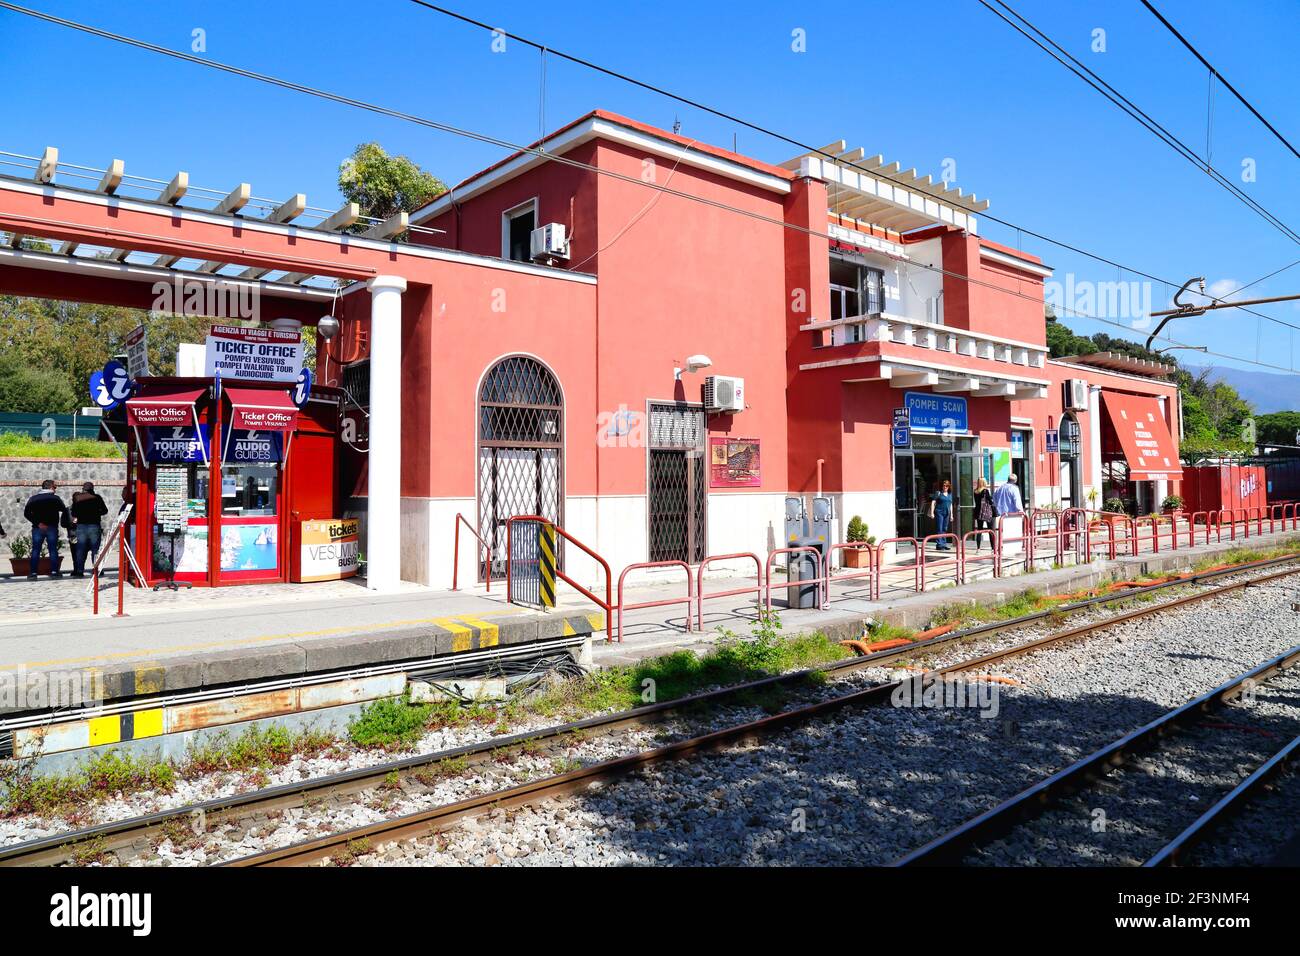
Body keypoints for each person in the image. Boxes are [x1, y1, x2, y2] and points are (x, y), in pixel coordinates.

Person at [23, 479, 69, 580]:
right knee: (53, 549)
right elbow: (63, 509)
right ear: (50, 487)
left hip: (38, 528)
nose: (55, 489)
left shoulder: (33, 499)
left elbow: (26, 513)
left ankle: (33, 573)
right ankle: (54, 572)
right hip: (51, 527)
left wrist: (38, 523)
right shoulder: (55, 498)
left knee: (36, 550)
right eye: (55, 487)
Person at [69, 481, 109, 578]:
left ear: (83, 489)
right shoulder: (97, 498)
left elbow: (73, 513)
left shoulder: (78, 498)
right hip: (94, 525)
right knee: (95, 549)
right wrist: (96, 513)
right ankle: (97, 569)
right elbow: (105, 510)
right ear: (92, 488)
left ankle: (79, 571)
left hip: (81, 526)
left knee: (80, 549)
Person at [928, 478, 954, 550]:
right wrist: (932, 513)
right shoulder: (938, 493)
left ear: (949, 487)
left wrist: (951, 515)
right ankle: (939, 544)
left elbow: (950, 505)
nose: (945, 487)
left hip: (947, 513)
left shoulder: (950, 494)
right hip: (939, 512)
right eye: (944, 485)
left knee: (944, 528)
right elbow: (933, 502)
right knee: (939, 528)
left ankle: (944, 543)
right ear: (942, 486)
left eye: (947, 486)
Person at [973, 477, 998, 551]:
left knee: (979, 530)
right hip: (986, 512)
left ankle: (978, 548)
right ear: (984, 482)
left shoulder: (975, 491)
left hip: (978, 512)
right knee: (990, 530)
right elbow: (990, 501)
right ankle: (993, 547)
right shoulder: (985, 491)